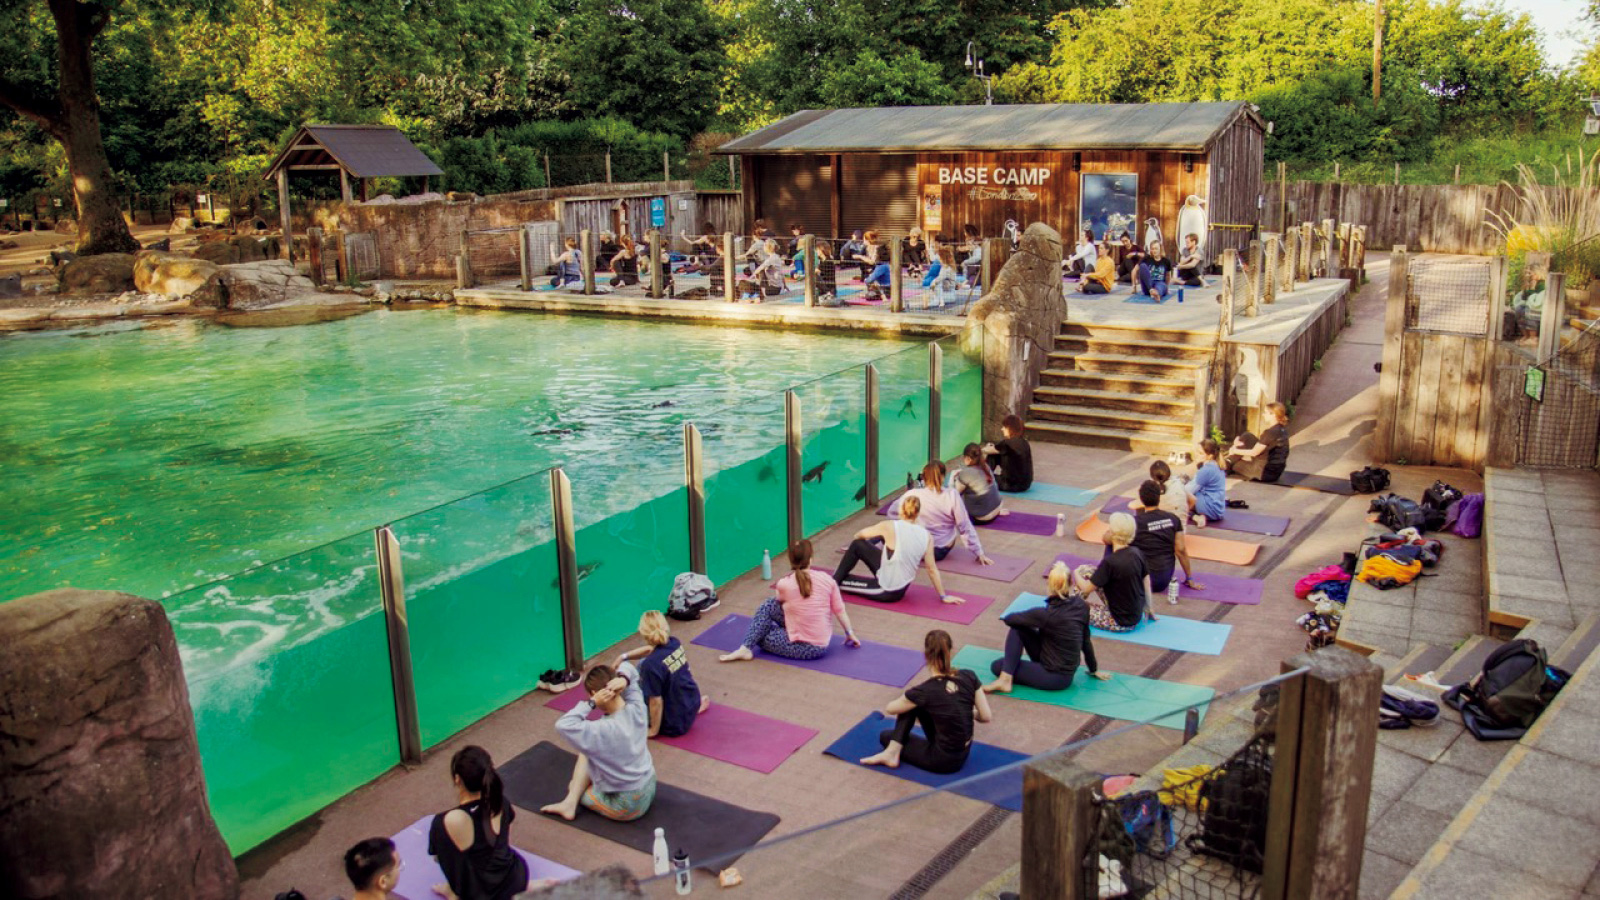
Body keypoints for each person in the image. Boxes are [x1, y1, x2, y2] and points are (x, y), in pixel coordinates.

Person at [860, 630, 993, 773]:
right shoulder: (969, 675)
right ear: (950, 652)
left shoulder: (925, 690)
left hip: (943, 761)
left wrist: (908, 695)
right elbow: (985, 716)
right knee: (916, 702)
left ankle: (892, 752)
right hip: (964, 751)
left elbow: (891, 708)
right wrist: (964, 711)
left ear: (926, 655)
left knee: (886, 734)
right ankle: (892, 752)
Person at [541, 662, 656, 823]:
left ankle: (570, 802)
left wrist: (592, 703)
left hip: (629, 805)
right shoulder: (638, 707)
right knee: (586, 751)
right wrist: (624, 679)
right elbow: (628, 667)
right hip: (650, 784)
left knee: (576, 787)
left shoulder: (600, 730)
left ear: (594, 693)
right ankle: (569, 802)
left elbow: (563, 725)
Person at [721, 539, 860, 662]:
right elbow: (839, 610)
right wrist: (850, 633)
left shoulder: (784, 584)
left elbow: (779, 601)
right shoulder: (827, 579)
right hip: (821, 643)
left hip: (810, 648)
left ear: (791, 561)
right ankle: (747, 647)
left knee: (761, 634)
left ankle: (746, 647)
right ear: (810, 558)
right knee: (769, 607)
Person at [983, 562, 1110, 693]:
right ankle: (1006, 679)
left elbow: (1009, 618)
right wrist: (1093, 669)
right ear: (1071, 583)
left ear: (1049, 584)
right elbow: (1085, 640)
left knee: (997, 665)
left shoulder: (1045, 614)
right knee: (1019, 628)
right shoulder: (1081, 605)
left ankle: (1005, 680)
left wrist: (1031, 620)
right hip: (1062, 671)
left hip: (1054, 678)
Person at [429, 746, 529, 900]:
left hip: (482, 894)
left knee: (445, 844)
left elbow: (438, 857)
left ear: (457, 778)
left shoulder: (446, 820)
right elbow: (505, 843)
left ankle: (454, 892)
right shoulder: (501, 802)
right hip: (516, 877)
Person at [834, 495, 959, 603]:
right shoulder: (927, 536)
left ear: (901, 510)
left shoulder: (889, 526)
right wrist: (943, 595)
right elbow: (931, 569)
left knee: (855, 549)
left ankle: (833, 584)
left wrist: (882, 534)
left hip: (887, 590)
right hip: (899, 583)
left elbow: (858, 535)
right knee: (860, 545)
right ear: (918, 513)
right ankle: (835, 580)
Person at [613, 611, 710, 737]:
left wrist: (653, 730)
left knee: (631, 669)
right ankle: (692, 709)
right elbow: (650, 650)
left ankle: (626, 709)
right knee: (648, 664)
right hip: (692, 702)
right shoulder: (674, 643)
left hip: (673, 726)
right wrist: (624, 656)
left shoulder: (651, 665)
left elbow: (656, 702)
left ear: (643, 632)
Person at [889, 461, 993, 564]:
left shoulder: (912, 494)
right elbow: (964, 525)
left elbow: (892, 513)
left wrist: (906, 530)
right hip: (938, 552)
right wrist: (979, 552)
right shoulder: (952, 495)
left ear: (924, 478)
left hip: (915, 548)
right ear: (943, 477)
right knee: (953, 532)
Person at [1123, 479, 1203, 605]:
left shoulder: (1135, 522)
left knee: (1116, 543)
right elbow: (1180, 550)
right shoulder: (1173, 518)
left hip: (1140, 581)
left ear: (1141, 499)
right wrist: (1189, 578)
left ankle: (1109, 578)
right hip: (1163, 580)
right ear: (1159, 498)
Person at [1085, 513, 1152, 632]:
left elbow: (1086, 589)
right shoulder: (1137, 553)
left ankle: (1072, 607)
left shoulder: (1110, 562)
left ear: (1112, 533)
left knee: (1079, 608)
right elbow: (1146, 580)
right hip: (1135, 615)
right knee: (1088, 570)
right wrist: (1149, 606)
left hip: (1119, 622)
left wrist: (1075, 573)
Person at [1225, 402, 1291, 483]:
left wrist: (1234, 450)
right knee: (1247, 436)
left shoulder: (1270, 432)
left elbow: (1254, 452)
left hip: (1263, 473)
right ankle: (1228, 461)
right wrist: (1238, 443)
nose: (1263, 415)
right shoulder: (1282, 430)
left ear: (1273, 415)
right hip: (1276, 471)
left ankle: (1227, 464)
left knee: (1235, 465)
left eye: (1265, 413)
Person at [951, 442, 1007, 522]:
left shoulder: (966, 473)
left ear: (968, 458)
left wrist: (952, 478)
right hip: (997, 507)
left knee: (960, 494)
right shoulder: (986, 466)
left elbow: (954, 494)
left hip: (982, 517)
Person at [983, 414, 1034, 492]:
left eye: (1004, 427)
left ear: (1010, 428)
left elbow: (988, 450)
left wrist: (984, 449)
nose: (1002, 429)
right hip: (1026, 485)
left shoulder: (1008, 443)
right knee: (997, 453)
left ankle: (983, 475)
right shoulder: (1025, 443)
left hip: (1010, 485)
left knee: (992, 455)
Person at [1187, 438, 1227, 527]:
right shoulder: (1216, 465)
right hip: (1218, 510)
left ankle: (1196, 517)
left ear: (1209, 456)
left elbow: (1188, 490)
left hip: (1210, 509)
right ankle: (1197, 516)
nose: (1196, 455)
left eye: (1200, 453)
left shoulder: (1206, 470)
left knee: (1179, 497)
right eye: (1197, 452)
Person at [1150, 459, 1191, 523]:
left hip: (1163, 530)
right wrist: (1184, 513)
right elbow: (1193, 500)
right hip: (1181, 529)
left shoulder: (1154, 489)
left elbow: (1133, 505)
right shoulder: (1178, 483)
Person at [854, 230, 891, 298]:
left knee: (870, 282)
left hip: (885, 289)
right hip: (883, 285)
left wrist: (860, 257)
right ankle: (871, 293)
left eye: (864, 239)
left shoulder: (881, 263)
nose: (863, 241)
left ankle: (874, 295)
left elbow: (872, 262)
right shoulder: (869, 248)